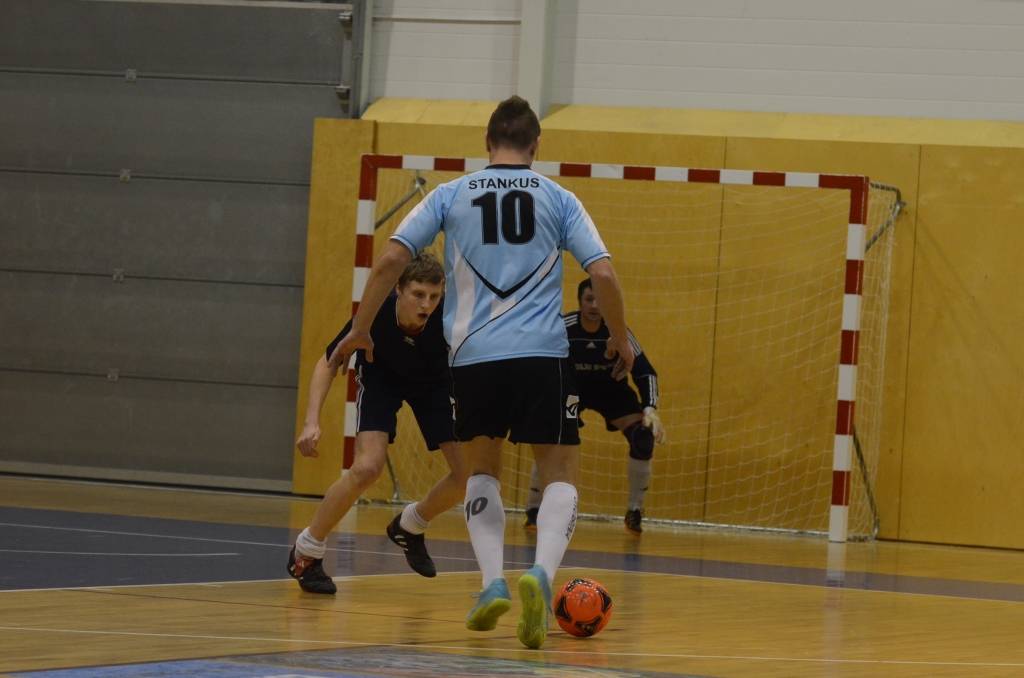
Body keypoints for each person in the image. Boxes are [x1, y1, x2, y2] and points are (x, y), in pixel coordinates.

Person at [328, 96, 632, 649]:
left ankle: (493, 582)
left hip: (472, 359)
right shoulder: (560, 199)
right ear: (536, 145)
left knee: (482, 469)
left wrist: (361, 328)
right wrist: (619, 336)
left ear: (487, 143)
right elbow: (604, 276)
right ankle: (540, 574)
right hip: (542, 356)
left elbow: (391, 260)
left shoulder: (450, 195)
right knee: (560, 470)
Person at [287, 253, 468, 594]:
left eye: (434, 296)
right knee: (367, 468)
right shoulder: (375, 314)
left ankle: (410, 525)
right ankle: (307, 551)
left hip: (434, 384)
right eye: (418, 294)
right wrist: (311, 421)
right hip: (382, 377)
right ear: (398, 289)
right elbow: (328, 362)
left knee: (468, 475)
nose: (426, 304)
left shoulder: (451, 319)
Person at [524, 277, 665, 535]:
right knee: (551, 438)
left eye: (599, 299)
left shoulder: (618, 331)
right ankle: (534, 509)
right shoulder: (563, 327)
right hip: (572, 391)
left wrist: (650, 407)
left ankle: (635, 510)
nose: (595, 305)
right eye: (589, 299)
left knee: (643, 437)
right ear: (580, 301)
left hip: (611, 391)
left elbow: (645, 371)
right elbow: (538, 361)